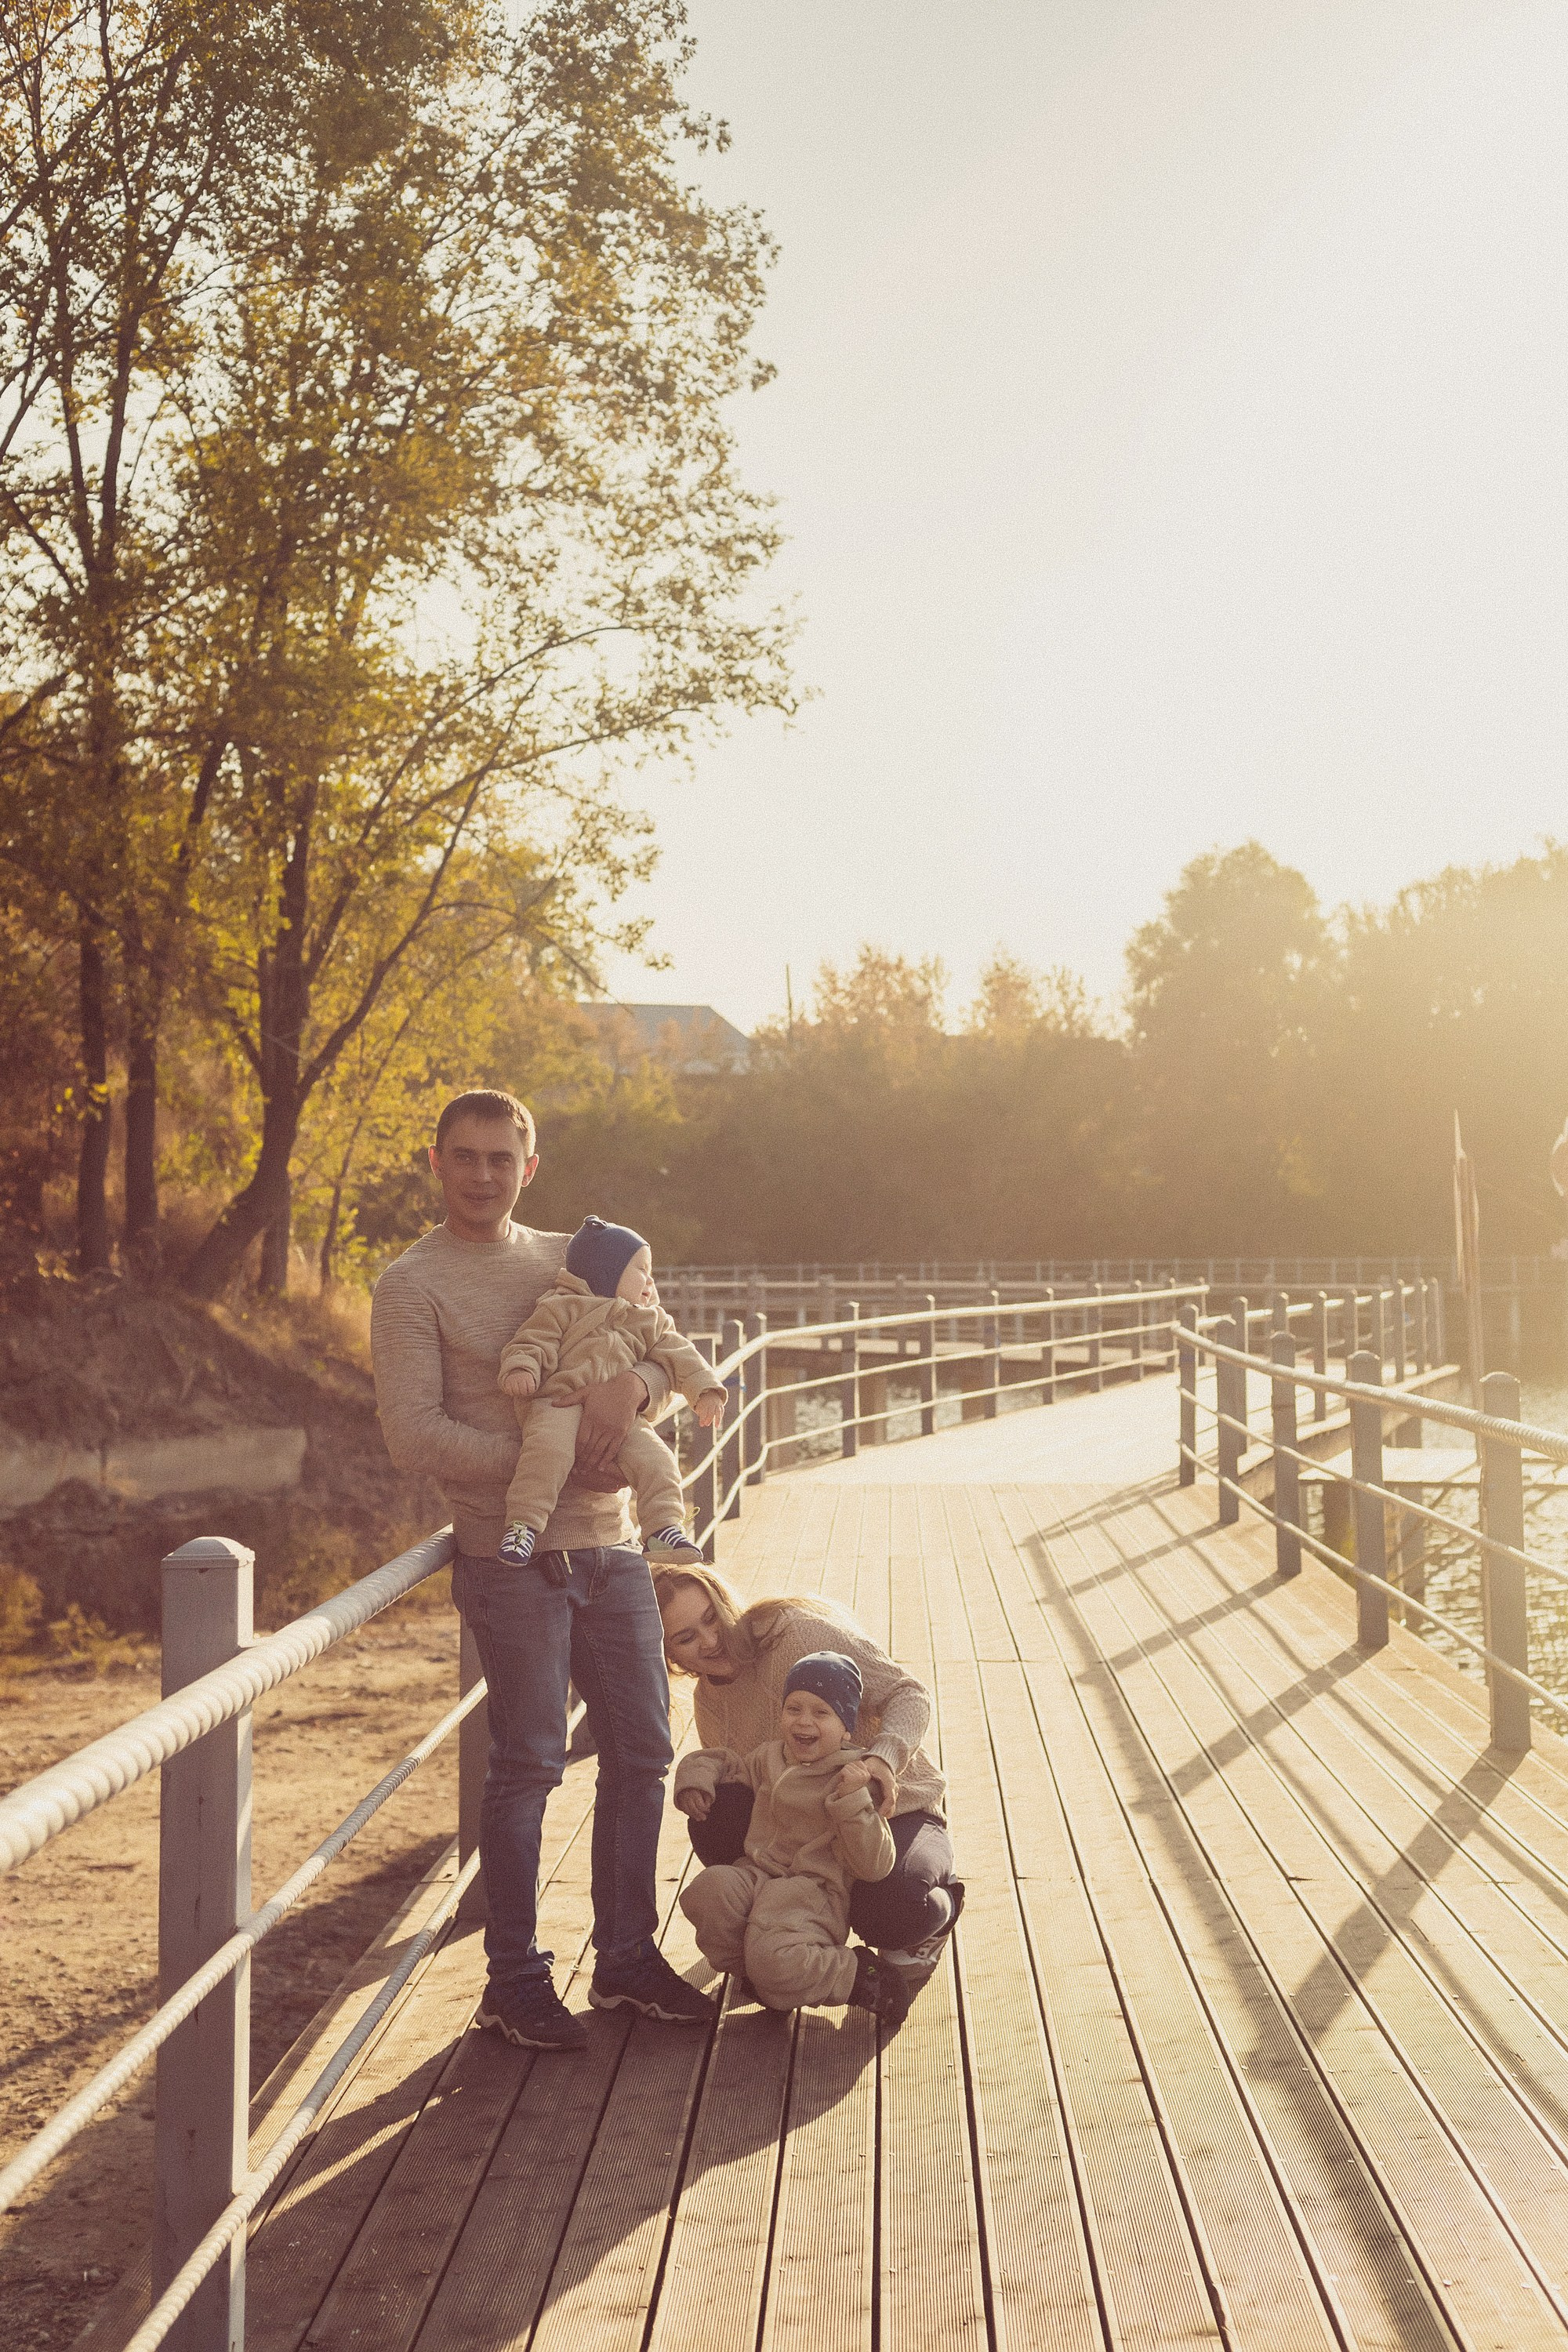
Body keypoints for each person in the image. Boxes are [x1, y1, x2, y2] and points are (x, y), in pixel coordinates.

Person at [371, 1087, 713, 2051]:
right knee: (528, 1767)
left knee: (642, 1754)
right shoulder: (411, 1284)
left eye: (500, 1159)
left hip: (611, 1546)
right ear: (435, 1161)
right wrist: (547, 1461)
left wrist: (630, 1394)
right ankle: (514, 1982)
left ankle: (626, 1960)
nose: (482, 1175)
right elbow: (413, 1435)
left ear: (529, 1167)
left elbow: (662, 1351)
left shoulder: (582, 1255)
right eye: (464, 1156)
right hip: (508, 1558)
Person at [655, 1563, 963, 1980]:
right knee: (714, 1812)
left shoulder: (796, 1633)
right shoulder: (708, 1701)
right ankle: (773, 1931)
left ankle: (942, 1907)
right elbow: (747, 1780)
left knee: (893, 1913)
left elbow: (908, 1693)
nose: (710, 1642)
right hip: (810, 1843)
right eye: (686, 1638)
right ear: (669, 1654)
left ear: (725, 1603)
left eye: (712, 1618)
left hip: (892, 1811)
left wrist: (882, 1759)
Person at [674, 1651, 912, 2026]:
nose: (804, 1721)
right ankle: (758, 1978)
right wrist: (696, 1778)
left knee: (776, 1958)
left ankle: (858, 1976)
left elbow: (877, 1864)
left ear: (846, 1728)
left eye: (821, 1712)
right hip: (759, 1875)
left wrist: (851, 1800)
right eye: (794, 1708)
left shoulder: (853, 1776)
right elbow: (726, 1763)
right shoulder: (770, 1757)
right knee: (709, 1891)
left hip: (812, 1892)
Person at [497, 1215, 724, 1571]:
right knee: (546, 1452)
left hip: (623, 1417)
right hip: (559, 1403)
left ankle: (663, 1528)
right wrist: (521, 1368)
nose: (650, 1281)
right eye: (642, 1270)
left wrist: (705, 1390)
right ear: (608, 1272)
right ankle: (522, 1525)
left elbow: (681, 1356)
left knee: (657, 1459)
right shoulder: (562, 1306)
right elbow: (533, 1340)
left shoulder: (650, 1320)